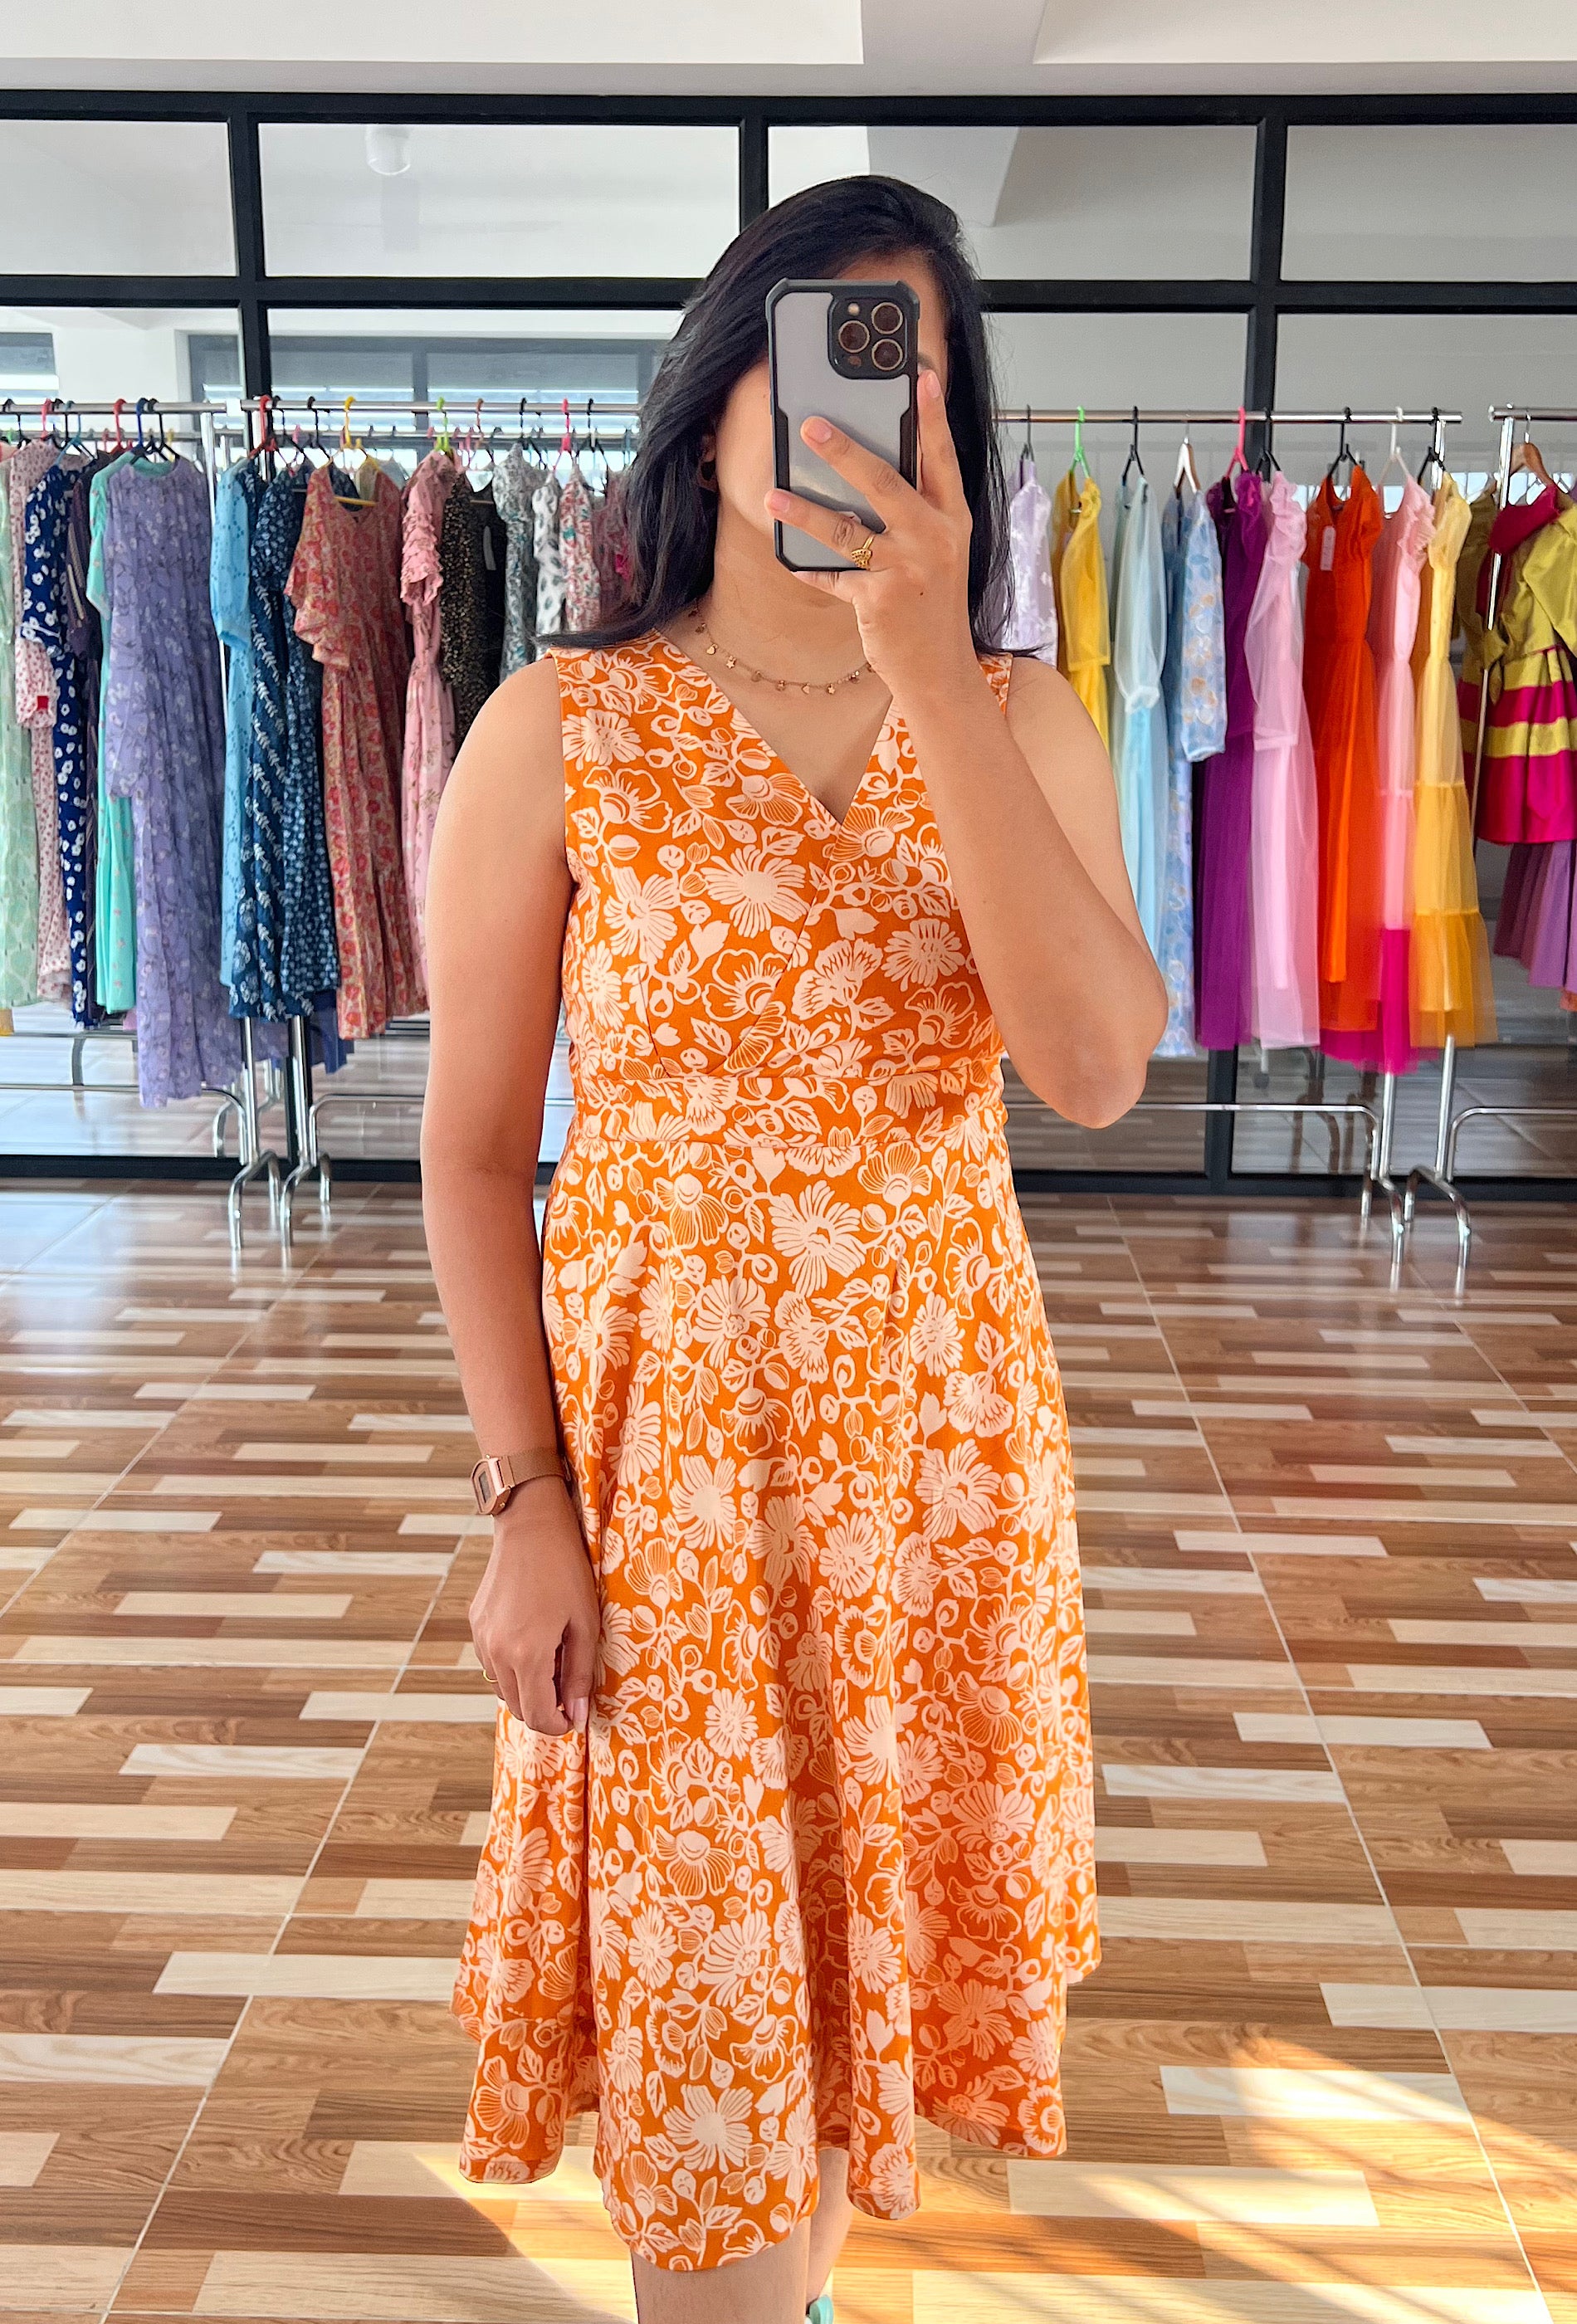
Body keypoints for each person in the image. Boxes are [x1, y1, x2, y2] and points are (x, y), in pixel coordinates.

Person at [422, 174, 1166, 2324]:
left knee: (843, 1988)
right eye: (817, 351)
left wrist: (928, 668)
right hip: (666, 1482)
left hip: (936, 1474)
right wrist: (522, 1503)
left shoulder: (1016, 717)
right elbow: (470, 1157)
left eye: (900, 377)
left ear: (953, 436)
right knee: (707, 2004)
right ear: (723, 383)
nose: (848, 414)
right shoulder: (555, 727)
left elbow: (1095, 1069)